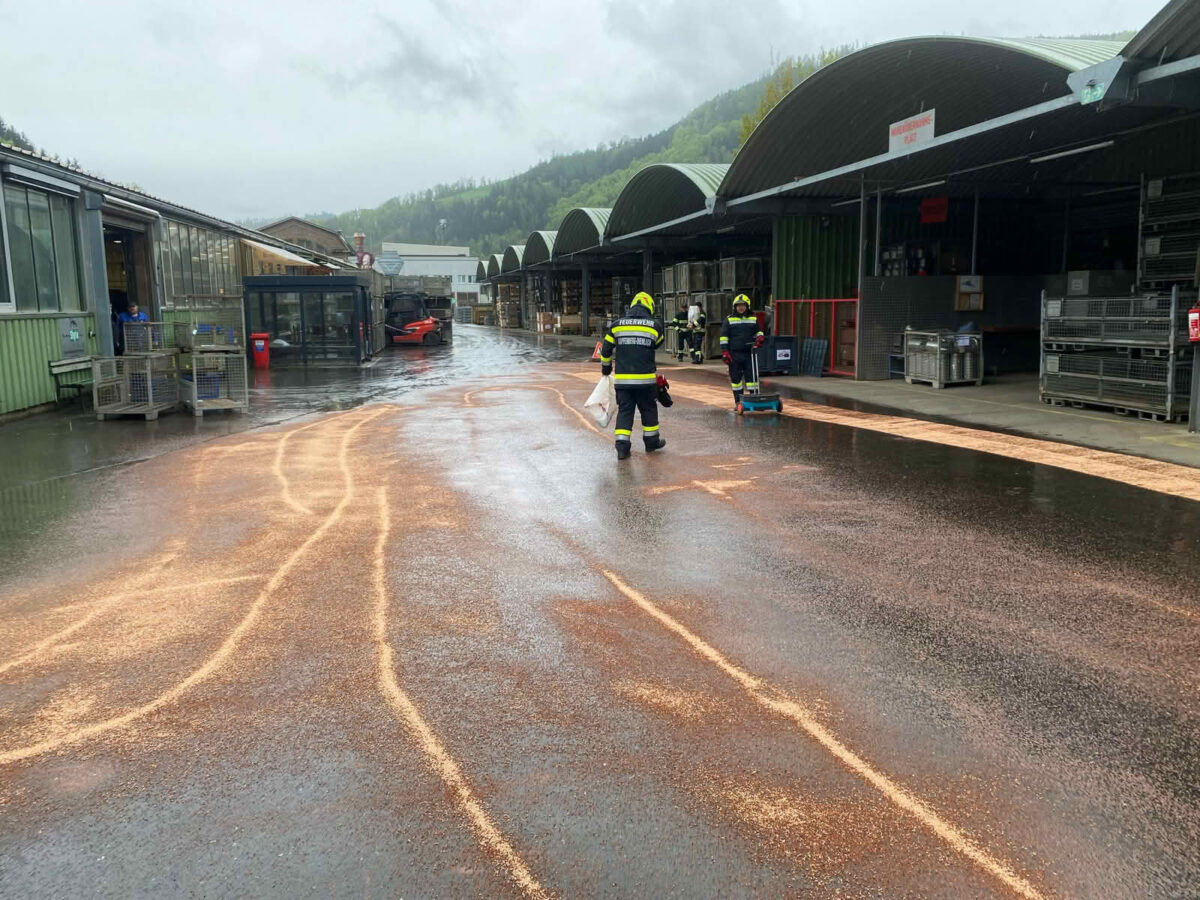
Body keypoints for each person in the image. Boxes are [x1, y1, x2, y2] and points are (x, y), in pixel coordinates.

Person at [600, 291, 667, 460]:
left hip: (623, 381)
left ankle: (622, 448)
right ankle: (651, 443)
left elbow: (606, 350)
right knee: (649, 410)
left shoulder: (616, 325)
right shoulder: (654, 325)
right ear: (649, 306)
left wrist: (606, 369)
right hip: (646, 381)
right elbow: (658, 343)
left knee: (625, 412)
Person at [720, 294, 764, 408]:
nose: (740, 308)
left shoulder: (753, 318)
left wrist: (760, 337)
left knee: (752, 379)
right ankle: (738, 402)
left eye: (743, 305)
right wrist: (725, 352)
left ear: (747, 306)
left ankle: (754, 401)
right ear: (734, 307)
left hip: (750, 353)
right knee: (736, 379)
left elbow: (759, 331)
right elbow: (724, 337)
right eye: (738, 306)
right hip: (734, 354)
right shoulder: (729, 320)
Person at [687, 298, 706, 364]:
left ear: (699, 307)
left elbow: (701, 320)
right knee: (696, 346)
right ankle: (699, 358)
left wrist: (693, 325)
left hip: (699, 332)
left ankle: (699, 359)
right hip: (696, 331)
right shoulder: (697, 313)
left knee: (697, 346)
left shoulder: (702, 313)